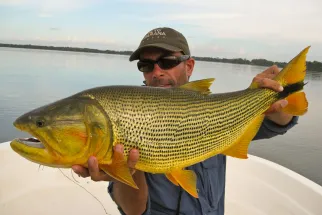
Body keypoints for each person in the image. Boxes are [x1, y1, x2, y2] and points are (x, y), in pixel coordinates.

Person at [72, 27, 298, 215]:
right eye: (146, 65)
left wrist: (278, 95)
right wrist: (124, 173)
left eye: (167, 62)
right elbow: (133, 211)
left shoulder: (217, 110)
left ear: (189, 66)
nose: (157, 72)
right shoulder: (125, 115)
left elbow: (277, 123)